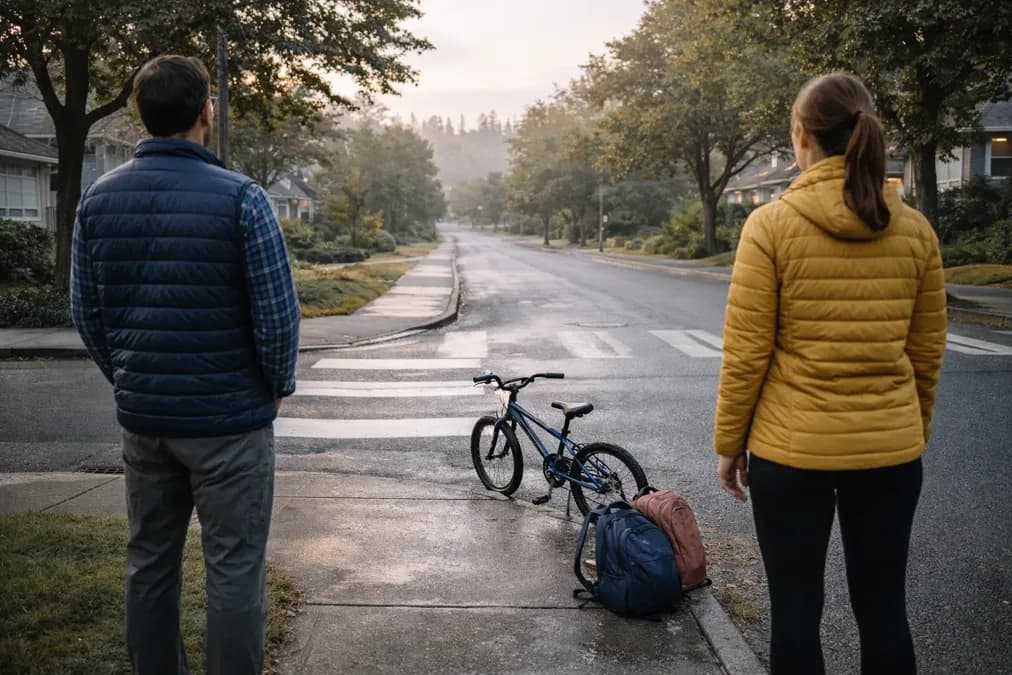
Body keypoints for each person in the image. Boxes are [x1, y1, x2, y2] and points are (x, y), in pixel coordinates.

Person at [71, 55, 300, 674]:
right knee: (234, 570)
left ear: (140, 115)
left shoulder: (97, 199)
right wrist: (276, 386)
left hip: (146, 421)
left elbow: (85, 313)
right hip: (231, 425)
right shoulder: (243, 199)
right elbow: (278, 317)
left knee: (148, 561)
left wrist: (129, 377)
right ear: (206, 111)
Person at [713, 72, 947, 674]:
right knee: (885, 610)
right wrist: (908, 433)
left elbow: (747, 354)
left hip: (791, 456)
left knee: (794, 612)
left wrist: (729, 444)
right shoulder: (916, 231)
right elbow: (926, 354)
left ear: (802, 135)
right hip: (891, 455)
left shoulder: (769, 226)